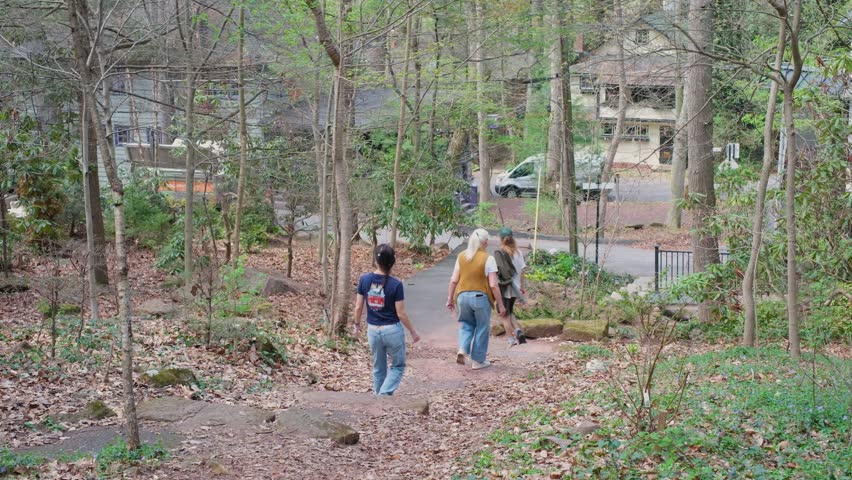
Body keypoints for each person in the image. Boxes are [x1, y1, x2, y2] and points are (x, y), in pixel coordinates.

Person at [354, 244, 420, 396]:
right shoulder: (396, 284)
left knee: (378, 368)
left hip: (373, 330)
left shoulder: (364, 280)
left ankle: (379, 399)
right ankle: (383, 395)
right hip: (392, 330)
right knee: (398, 366)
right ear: (392, 261)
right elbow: (401, 313)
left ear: (376, 261)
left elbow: (358, 307)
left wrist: (357, 325)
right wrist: (413, 332)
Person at [446, 228, 506, 370]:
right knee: (482, 327)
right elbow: (493, 285)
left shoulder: (461, 256)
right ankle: (478, 361)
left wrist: (449, 299)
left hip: (462, 297)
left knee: (466, 325)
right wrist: (501, 305)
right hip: (480, 298)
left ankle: (462, 348)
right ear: (485, 242)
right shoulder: (488, 258)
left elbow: (454, 280)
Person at [494, 227, 527, 346]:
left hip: (505, 287)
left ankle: (510, 339)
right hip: (516, 288)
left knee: (504, 314)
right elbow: (523, 270)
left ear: (501, 239)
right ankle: (518, 331)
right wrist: (521, 287)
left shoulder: (501, 253)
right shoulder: (518, 252)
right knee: (510, 311)